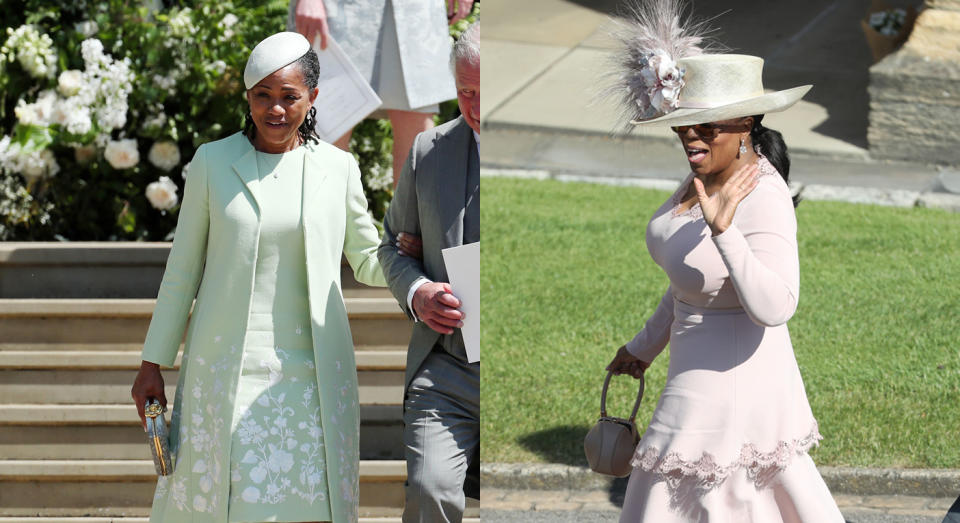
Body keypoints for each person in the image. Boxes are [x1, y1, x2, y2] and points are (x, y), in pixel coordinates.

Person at [130, 32, 409, 523]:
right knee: (228, 501)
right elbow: (182, 271)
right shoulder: (213, 162)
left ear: (313, 98)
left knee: (305, 504)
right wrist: (153, 362)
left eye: (289, 97)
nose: (275, 109)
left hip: (313, 376)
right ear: (248, 98)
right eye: (263, 95)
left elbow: (368, 260)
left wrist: (411, 254)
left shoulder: (338, 167)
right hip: (224, 369)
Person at [603, 2, 845, 521]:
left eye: (707, 127)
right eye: (683, 126)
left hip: (735, 383)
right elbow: (689, 282)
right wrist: (643, 346)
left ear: (746, 125)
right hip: (695, 374)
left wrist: (724, 231)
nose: (692, 137)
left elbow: (776, 306)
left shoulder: (762, 193)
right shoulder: (702, 175)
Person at [377, 20, 479, 523]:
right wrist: (418, 290)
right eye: (465, 92)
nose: (476, 107)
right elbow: (391, 246)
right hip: (447, 369)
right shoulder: (426, 152)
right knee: (429, 489)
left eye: (487, 92)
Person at [289, 0, 474, 188]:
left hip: (416, 13)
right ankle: (321, 216)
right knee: (327, 127)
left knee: (418, 140)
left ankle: (413, 218)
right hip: (338, 11)